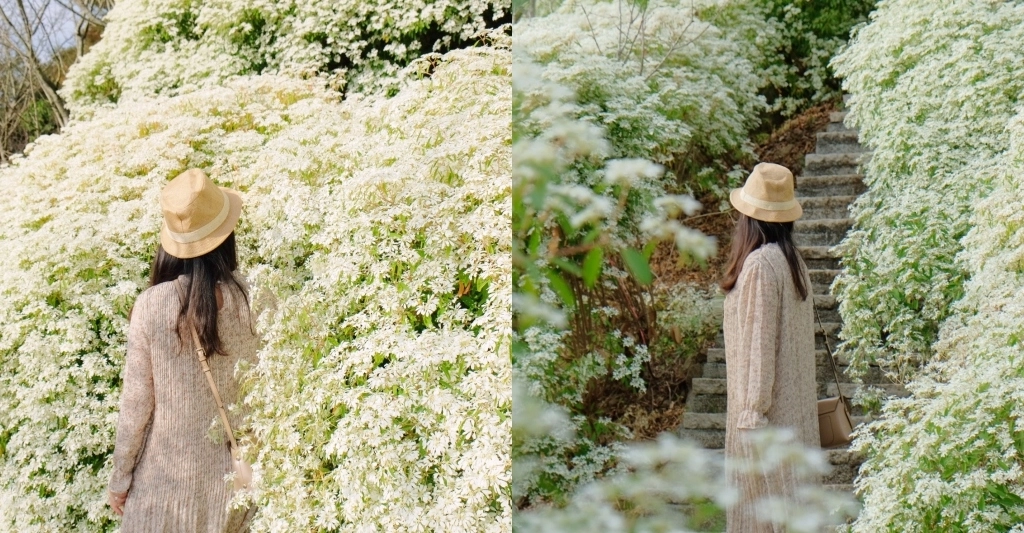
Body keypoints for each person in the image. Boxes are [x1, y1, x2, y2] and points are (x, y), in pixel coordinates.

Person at [107, 168, 258, 532]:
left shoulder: (153, 305)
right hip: (234, 491)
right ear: (227, 235)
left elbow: (137, 405)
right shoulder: (256, 296)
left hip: (164, 496)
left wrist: (119, 479)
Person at [720, 162, 820, 532]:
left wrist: (751, 415)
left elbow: (759, 347)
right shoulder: (794, 263)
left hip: (765, 423)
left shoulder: (761, 265)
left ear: (749, 217)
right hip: (794, 421)